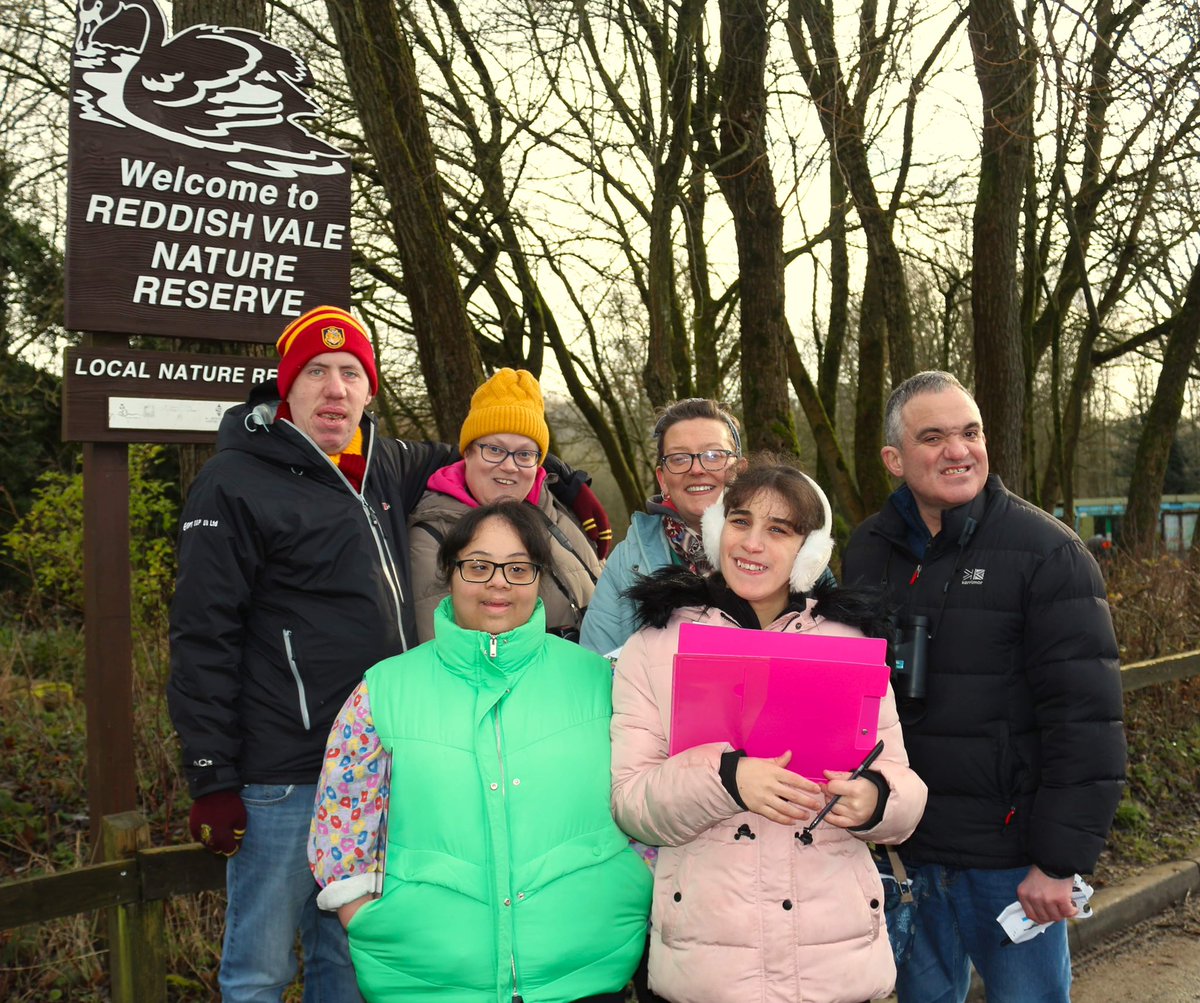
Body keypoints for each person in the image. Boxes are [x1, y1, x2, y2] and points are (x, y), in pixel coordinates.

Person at [166, 305, 611, 1002]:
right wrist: (210, 773)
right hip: (285, 767)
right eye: (317, 372)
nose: (335, 389)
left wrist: (557, 474)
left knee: (349, 957)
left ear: (371, 389)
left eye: (350, 373)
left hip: (378, 761)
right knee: (259, 967)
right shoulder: (234, 481)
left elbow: (483, 454)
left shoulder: (384, 462)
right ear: (287, 387)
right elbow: (202, 635)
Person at [841, 371, 1126, 1003]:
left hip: (1010, 862)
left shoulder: (1047, 553)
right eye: (934, 437)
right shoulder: (867, 551)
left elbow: (1086, 721)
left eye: (970, 432)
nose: (958, 450)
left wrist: (1059, 861)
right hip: (903, 852)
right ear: (894, 458)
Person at [610, 457, 928, 1003]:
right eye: (739, 521)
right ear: (716, 530)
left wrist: (875, 800)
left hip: (835, 966)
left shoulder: (851, 645)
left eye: (778, 529)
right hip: (709, 970)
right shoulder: (654, 646)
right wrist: (728, 780)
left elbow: (904, 786)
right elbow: (632, 803)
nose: (752, 544)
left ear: (808, 552)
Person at [308, 500, 652, 1003]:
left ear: (540, 577)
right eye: (478, 565)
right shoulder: (384, 690)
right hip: (425, 976)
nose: (498, 583)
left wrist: (634, 883)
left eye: (518, 568)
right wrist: (359, 911)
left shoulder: (602, 682)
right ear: (449, 573)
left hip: (587, 969)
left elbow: (646, 796)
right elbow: (343, 814)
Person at [408, 367, 600, 642]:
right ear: (468, 452)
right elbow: (442, 651)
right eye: (495, 450)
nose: (509, 466)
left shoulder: (557, 512)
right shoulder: (433, 535)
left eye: (524, 454)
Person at [580, 398, 745, 657]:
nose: (697, 469)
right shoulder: (626, 562)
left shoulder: (790, 548)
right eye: (679, 459)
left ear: (738, 469)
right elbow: (594, 666)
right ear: (663, 480)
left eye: (714, 455)